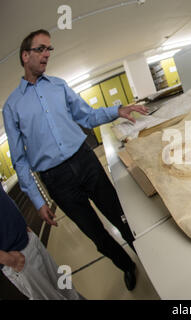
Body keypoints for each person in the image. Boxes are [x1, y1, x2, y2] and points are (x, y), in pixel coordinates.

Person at [2, 29, 148, 291]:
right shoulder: (12, 106)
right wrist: (38, 200)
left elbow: (88, 117)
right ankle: (127, 265)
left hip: (85, 161)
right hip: (57, 180)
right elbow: (20, 160)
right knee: (97, 235)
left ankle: (148, 257)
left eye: (49, 49)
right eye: (41, 49)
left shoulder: (59, 85)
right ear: (25, 56)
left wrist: (116, 110)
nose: (47, 54)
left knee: (121, 216)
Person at [0, 184, 84, 300]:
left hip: (27, 239)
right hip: (16, 258)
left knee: (66, 289)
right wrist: (9, 260)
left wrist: (23, 226)